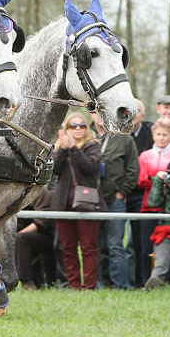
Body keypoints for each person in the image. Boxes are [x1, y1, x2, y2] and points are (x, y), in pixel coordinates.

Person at [50, 112, 104, 290]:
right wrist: (64, 149)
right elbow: (54, 170)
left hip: (87, 204)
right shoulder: (60, 148)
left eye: (82, 125)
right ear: (67, 129)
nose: (78, 128)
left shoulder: (93, 146)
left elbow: (90, 167)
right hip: (64, 205)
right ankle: (74, 285)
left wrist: (74, 148)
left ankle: (89, 286)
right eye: (73, 126)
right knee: (67, 248)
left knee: (88, 248)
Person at [90, 111, 138, 289]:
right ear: (91, 115)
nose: (100, 117)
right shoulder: (86, 136)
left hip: (114, 200)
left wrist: (122, 193)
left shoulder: (124, 138)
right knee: (94, 246)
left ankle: (120, 285)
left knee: (116, 246)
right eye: (96, 112)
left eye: (104, 112)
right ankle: (98, 284)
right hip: (91, 201)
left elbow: (133, 169)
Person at [135, 117, 170, 285]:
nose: (161, 138)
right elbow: (140, 181)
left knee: (167, 246)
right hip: (148, 205)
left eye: (165, 134)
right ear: (153, 135)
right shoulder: (145, 155)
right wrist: (158, 179)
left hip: (168, 207)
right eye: (158, 134)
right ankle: (146, 280)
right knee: (145, 247)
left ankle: (166, 280)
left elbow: (146, 179)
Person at [127, 98, 154, 285]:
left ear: (142, 115)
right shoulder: (116, 131)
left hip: (141, 193)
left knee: (140, 239)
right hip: (119, 193)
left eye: (136, 110)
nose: (132, 113)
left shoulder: (151, 134)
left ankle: (141, 279)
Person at [16, 187, 57, 289]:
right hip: (19, 234)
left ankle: (27, 283)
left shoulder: (40, 190)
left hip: (44, 235)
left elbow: (42, 220)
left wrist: (15, 236)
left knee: (21, 239)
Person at [144, 160, 170, 289]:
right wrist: (157, 181)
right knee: (161, 260)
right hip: (166, 231)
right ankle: (154, 283)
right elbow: (153, 203)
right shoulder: (165, 188)